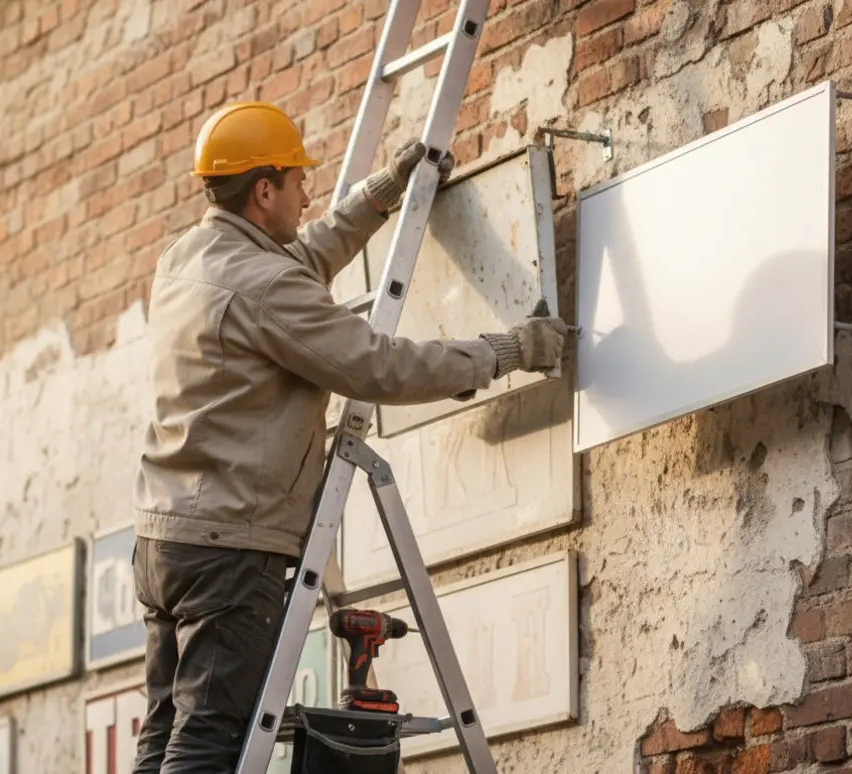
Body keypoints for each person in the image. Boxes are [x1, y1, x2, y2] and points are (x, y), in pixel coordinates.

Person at [130, 101, 569, 774]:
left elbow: (299, 260)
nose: (309, 192)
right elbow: (380, 366)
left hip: (165, 542)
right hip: (229, 550)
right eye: (297, 179)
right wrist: (506, 350)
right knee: (209, 745)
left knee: (163, 737)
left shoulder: (186, 259)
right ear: (263, 190)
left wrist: (381, 194)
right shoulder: (265, 285)